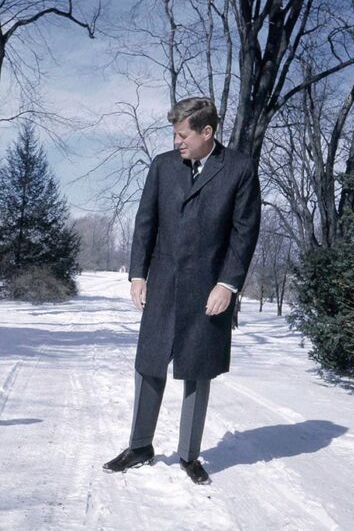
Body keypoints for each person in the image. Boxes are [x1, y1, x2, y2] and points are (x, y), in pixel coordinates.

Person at [103, 97, 261, 484]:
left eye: (182, 134)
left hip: (209, 288)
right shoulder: (162, 166)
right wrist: (137, 275)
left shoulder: (239, 168)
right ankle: (140, 446)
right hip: (163, 282)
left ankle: (190, 455)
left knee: (198, 369)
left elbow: (245, 234)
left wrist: (228, 284)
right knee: (149, 364)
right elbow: (146, 223)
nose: (177, 141)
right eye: (174, 134)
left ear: (207, 133)